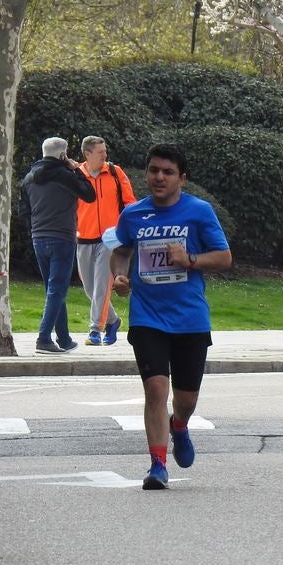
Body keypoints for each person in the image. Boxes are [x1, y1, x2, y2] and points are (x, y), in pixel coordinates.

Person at [110, 144, 232, 490]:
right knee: (155, 390)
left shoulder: (199, 212)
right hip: (147, 317)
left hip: (190, 318)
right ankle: (158, 466)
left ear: (182, 178)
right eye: (153, 170)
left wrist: (189, 260)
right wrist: (119, 276)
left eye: (167, 172)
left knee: (187, 399)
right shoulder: (134, 215)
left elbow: (224, 258)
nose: (158, 177)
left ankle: (180, 425)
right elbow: (120, 252)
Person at [18, 137, 96, 354]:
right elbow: (89, 194)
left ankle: (63, 338)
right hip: (62, 237)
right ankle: (43, 339)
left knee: (54, 290)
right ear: (63, 155)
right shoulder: (64, 175)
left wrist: (34, 231)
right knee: (57, 289)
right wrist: (77, 169)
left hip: (38, 238)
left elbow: (23, 211)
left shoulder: (29, 178)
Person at [77, 136, 136, 346]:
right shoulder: (77, 175)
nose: (105, 155)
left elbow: (130, 202)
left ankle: (95, 330)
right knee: (89, 287)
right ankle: (113, 321)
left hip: (110, 238)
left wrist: (128, 229)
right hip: (83, 237)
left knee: (102, 285)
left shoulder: (115, 172)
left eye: (105, 151)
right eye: (101, 152)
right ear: (88, 154)